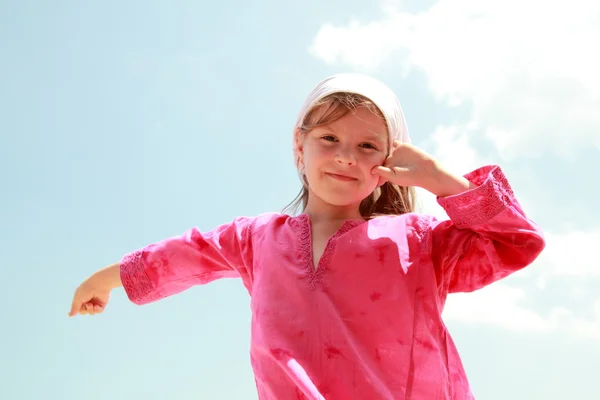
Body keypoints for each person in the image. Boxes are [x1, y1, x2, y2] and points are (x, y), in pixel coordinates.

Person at [68, 73, 545, 399]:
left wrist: (440, 179)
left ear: (387, 164)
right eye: (329, 139)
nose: (345, 156)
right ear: (300, 146)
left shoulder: (418, 241)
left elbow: (514, 241)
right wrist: (103, 279)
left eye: (366, 146)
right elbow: (185, 254)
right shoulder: (255, 238)